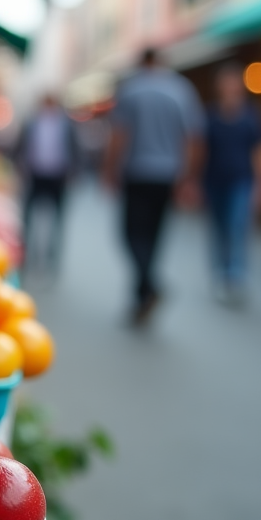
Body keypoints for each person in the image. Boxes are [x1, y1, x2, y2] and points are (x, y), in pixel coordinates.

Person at [104, 48, 205, 327]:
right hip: (168, 175)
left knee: (131, 234)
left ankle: (148, 286)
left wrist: (110, 171)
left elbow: (120, 134)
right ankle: (143, 295)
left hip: (137, 173)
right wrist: (188, 178)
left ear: (141, 62)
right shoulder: (182, 90)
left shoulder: (131, 89)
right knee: (154, 236)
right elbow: (193, 138)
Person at [204, 63, 261, 305]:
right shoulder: (211, 115)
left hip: (241, 180)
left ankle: (236, 276)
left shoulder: (251, 116)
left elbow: (258, 152)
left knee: (237, 227)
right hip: (214, 181)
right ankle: (220, 274)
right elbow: (202, 150)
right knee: (219, 229)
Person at [15, 94, 79, 270]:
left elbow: (75, 149)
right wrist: (20, 169)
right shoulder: (31, 123)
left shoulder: (67, 125)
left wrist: (73, 173)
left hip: (58, 176)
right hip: (35, 175)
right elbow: (20, 147)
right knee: (28, 218)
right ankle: (28, 255)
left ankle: (52, 258)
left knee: (57, 220)